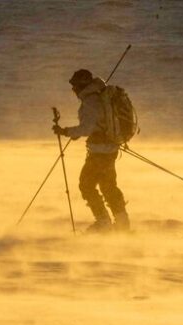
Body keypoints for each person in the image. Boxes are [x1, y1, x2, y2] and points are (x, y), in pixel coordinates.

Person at [53, 69, 129, 233]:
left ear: (81, 85)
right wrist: (76, 133)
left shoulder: (91, 101)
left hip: (99, 152)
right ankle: (122, 223)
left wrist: (65, 132)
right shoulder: (99, 95)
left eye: (74, 86)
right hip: (109, 149)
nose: (73, 90)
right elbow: (95, 125)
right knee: (108, 186)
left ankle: (103, 223)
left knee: (86, 185)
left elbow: (87, 128)